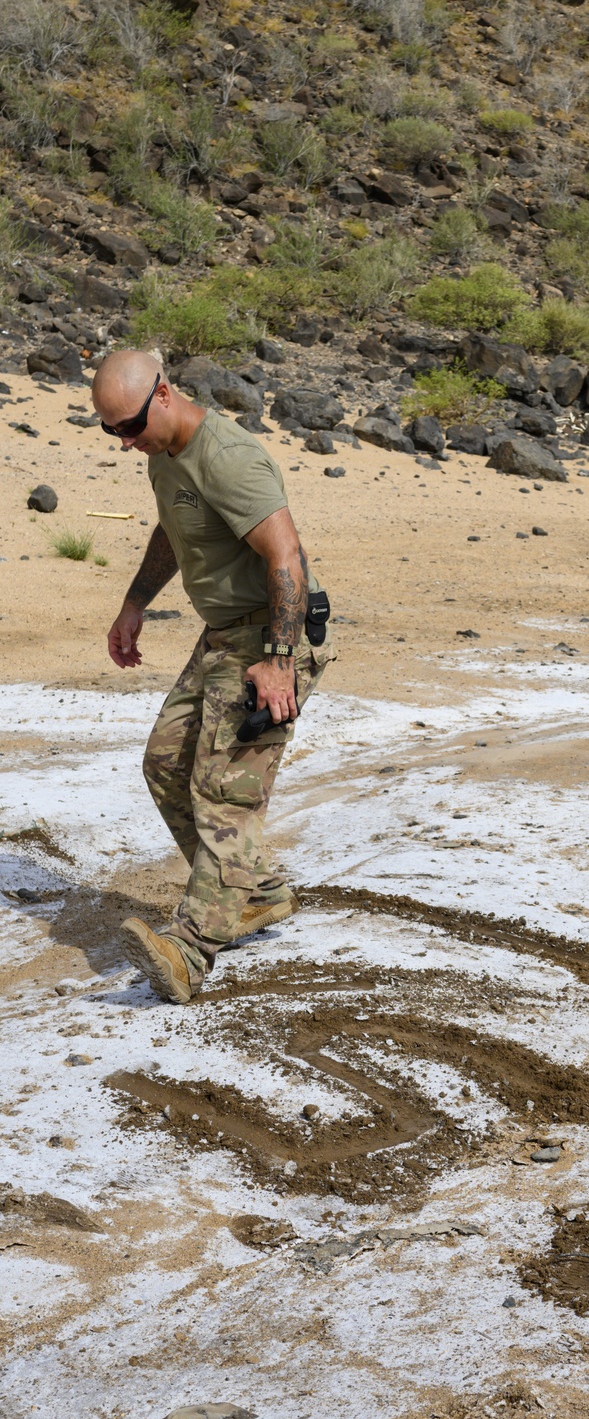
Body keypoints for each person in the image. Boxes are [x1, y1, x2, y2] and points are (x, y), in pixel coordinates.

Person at [91, 350, 333, 1005]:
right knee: (166, 763)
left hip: (271, 633)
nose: (124, 442)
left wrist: (280, 662)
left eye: (129, 426)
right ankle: (253, 890)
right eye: (111, 430)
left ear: (164, 395)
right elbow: (175, 533)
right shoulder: (162, 454)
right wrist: (135, 603)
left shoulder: (228, 458)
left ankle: (191, 951)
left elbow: (286, 556)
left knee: (223, 792)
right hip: (224, 635)